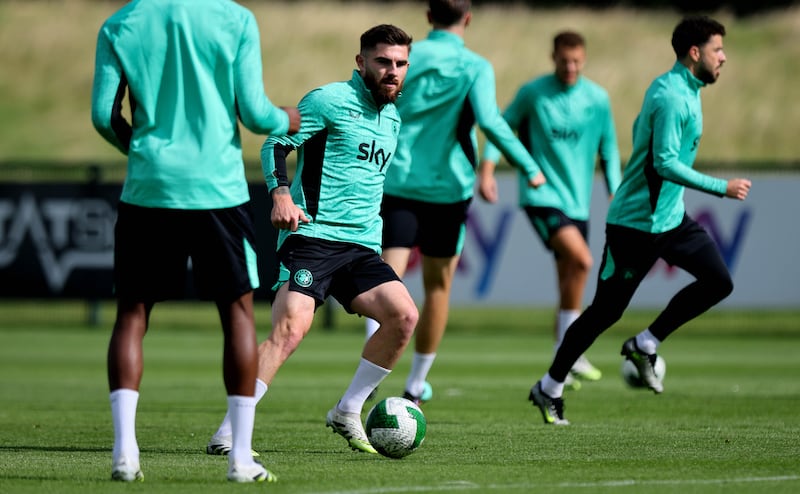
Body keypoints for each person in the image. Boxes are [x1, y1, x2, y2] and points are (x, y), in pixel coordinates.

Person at [91, 0, 300, 483]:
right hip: (217, 190)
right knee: (237, 314)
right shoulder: (234, 19)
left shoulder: (120, 23)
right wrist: (285, 118)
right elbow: (253, 112)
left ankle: (125, 454)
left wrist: (143, 153)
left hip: (148, 187)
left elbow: (105, 115)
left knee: (132, 314)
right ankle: (240, 459)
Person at [205, 24, 417, 458]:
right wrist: (280, 193)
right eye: (382, 61)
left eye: (400, 64)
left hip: (361, 246)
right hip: (313, 237)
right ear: (361, 63)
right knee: (290, 329)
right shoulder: (327, 101)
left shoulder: (393, 117)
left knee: (404, 317)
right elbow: (275, 144)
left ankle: (348, 409)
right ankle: (229, 432)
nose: (392, 71)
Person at [529, 15, 751, 425]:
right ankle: (549, 387)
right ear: (695, 52)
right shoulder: (671, 96)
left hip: (670, 221)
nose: (724, 57)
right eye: (718, 49)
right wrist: (722, 187)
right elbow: (664, 163)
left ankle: (646, 342)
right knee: (603, 313)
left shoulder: (689, 89)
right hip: (634, 227)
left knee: (719, 281)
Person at [363, 0, 545, 405]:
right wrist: (529, 166)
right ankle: (415, 384)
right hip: (448, 189)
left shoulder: (406, 58)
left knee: (384, 279)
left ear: (429, 18)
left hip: (396, 179)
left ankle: (369, 374)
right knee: (438, 287)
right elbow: (490, 120)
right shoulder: (475, 66)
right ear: (468, 18)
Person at [480, 31, 621, 391]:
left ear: (584, 59)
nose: (570, 67)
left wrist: (617, 198)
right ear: (553, 57)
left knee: (569, 279)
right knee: (584, 261)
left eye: (576, 61)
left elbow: (609, 153)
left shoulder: (598, 99)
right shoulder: (533, 93)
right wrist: (488, 168)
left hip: (578, 202)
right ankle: (571, 354)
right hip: (541, 196)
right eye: (564, 61)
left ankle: (564, 355)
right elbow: (501, 127)